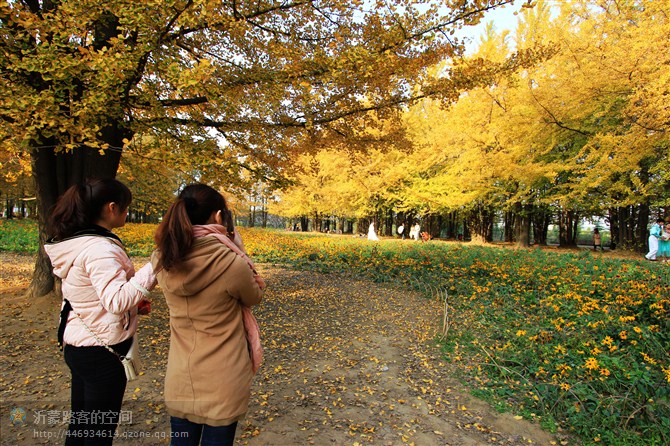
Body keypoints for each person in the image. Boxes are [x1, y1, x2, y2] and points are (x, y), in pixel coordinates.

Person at [44, 178, 156, 446]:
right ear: (111, 207)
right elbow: (116, 301)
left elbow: (92, 293)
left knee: (82, 425)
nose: (127, 213)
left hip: (80, 343)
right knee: (97, 433)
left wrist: (135, 300)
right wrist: (154, 266)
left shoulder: (79, 243)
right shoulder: (99, 249)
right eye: (126, 207)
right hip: (101, 352)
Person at [152, 184, 265, 446]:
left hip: (181, 376)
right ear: (217, 216)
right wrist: (241, 252)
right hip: (223, 380)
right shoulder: (230, 262)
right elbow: (254, 296)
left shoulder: (162, 258)